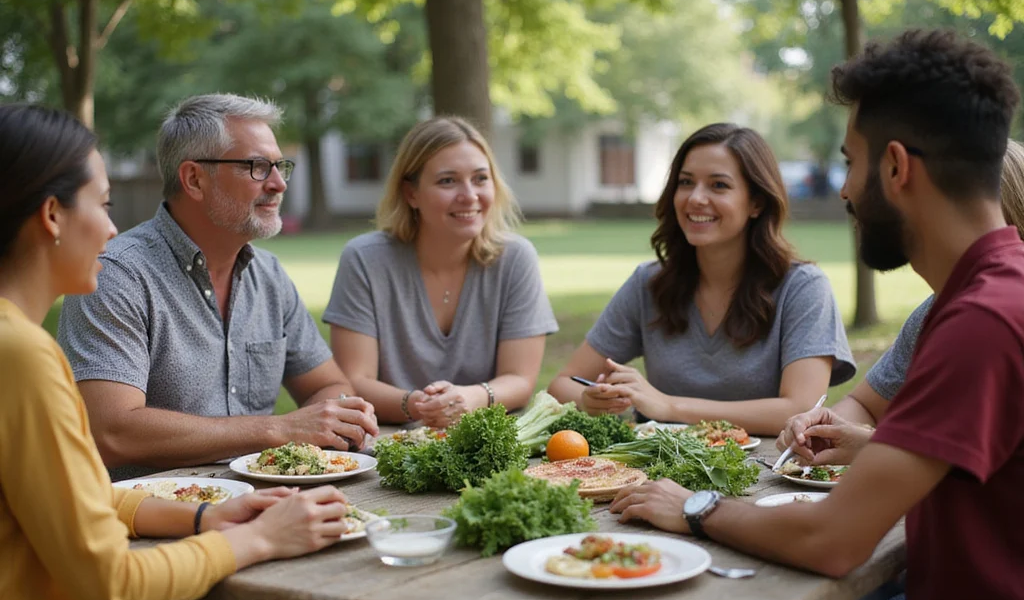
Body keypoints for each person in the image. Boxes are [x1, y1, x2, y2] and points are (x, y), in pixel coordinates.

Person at [612, 29, 1024, 600]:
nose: (843, 191)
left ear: (896, 168)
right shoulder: (974, 298)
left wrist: (696, 504)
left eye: (849, 164)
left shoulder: (986, 319)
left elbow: (834, 541)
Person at [0, 103, 353, 600]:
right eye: (103, 204)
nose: (111, 229)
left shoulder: (20, 342)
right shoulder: (24, 354)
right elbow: (111, 588)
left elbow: (71, 492)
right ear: (53, 216)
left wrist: (201, 520)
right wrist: (256, 540)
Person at [57, 94, 378, 480]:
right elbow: (110, 432)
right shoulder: (116, 275)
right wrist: (277, 429)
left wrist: (338, 415)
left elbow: (328, 384)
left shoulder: (269, 275)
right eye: (258, 167)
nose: (278, 184)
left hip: (265, 506)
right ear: (194, 179)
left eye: (280, 167)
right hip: (146, 523)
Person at [547, 123, 855, 437]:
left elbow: (800, 409)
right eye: (685, 182)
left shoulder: (803, 287)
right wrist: (589, 399)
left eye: (718, 185)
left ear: (756, 203)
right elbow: (562, 384)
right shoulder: (648, 283)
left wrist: (669, 407)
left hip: (765, 476)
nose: (695, 198)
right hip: (660, 469)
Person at [777, 138, 1024, 467]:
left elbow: (978, 461)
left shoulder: (996, 316)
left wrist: (875, 446)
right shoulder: (931, 313)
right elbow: (866, 404)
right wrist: (822, 429)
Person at [325, 116, 557, 428]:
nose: (470, 195)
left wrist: (472, 398)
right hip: (388, 444)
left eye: (480, 178)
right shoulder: (365, 260)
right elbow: (355, 380)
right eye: (448, 181)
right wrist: (418, 405)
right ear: (411, 194)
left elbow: (519, 379)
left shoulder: (516, 259)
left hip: (485, 442)